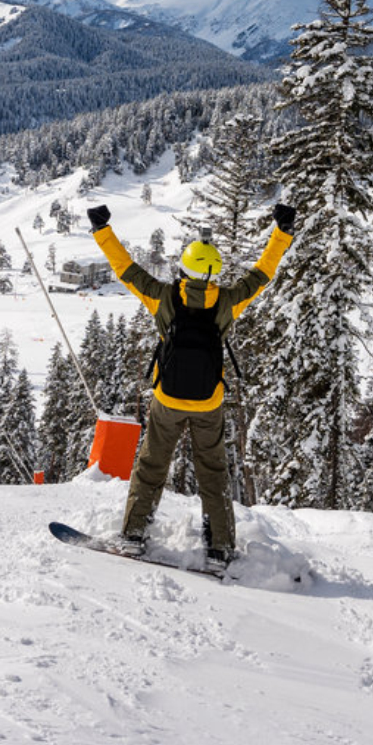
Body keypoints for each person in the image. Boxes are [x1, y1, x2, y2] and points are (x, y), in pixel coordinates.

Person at [86, 200, 296, 570]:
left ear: (184, 267)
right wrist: (282, 232)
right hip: (208, 402)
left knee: (151, 465)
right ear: (214, 273)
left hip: (167, 399)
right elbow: (263, 273)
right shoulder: (227, 302)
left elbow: (126, 269)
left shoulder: (165, 296)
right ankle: (220, 547)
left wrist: (102, 229)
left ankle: (134, 534)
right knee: (212, 472)